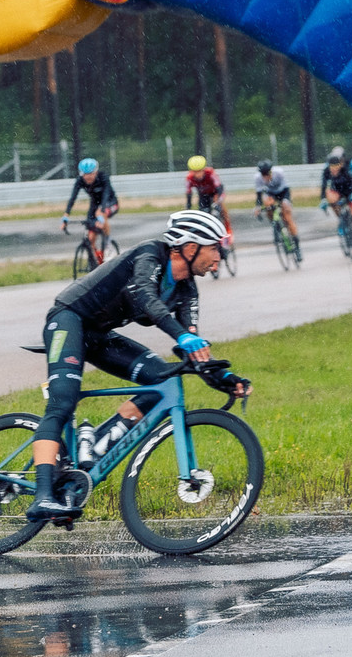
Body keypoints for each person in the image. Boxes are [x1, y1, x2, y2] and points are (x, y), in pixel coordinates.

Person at [24, 210, 250, 519]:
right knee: (62, 402)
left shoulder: (186, 289)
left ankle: (94, 443)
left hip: (99, 334)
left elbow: (194, 348)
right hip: (68, 319)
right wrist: (181, 335)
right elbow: (144, 295)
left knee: (163, 381)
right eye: (214, 247)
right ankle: (43, 496)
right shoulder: (150, 255)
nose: (220, 256)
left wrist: (222, 376)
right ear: (188, 245)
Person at [62, 158, 120, 265]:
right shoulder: (80, 180)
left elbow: (106, 195)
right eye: (85, 175)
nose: (88, 177)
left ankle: (108, 245)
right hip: (95, 203)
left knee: (99, 213)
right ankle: (98, 261)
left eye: (91, 174)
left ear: (96, 172)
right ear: (81, 174)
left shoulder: (103, 177)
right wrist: (66, 215)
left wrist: (102, 213)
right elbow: (73, 198)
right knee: (91, 237)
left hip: (110, 202)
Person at [319, 147, 352, 252]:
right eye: (332, 166)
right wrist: (323, 199)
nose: (334, 169)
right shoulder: (327, 171)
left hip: (350, 192)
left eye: (336, 166)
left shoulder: (347, 170)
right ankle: (341, 220)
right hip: (338, 193)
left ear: (341, 164)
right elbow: (323, 186)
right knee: (331, 198)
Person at [252, 159, 300, 243]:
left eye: (267, 174)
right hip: (271, 193)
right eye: (263, 174)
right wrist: (258, 207)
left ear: (271, 171)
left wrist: (286, 202)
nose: (266, 177)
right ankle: (275, 225)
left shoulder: (279, 173)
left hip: (283, 192)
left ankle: (295, 240)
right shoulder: (258, 178)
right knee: (268, 206)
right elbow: (259, 195)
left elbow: (287, 189)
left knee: (287, 216)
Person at [183, 155, 232, 236]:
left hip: (215, 192)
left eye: (199, 171)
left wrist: (217, 202)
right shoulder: (189, 178)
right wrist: (188, 207)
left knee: (220, 209)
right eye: (195, 172)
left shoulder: (211, 173)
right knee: (203, 213)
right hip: (203, 195)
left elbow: (219, 188)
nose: (198, 174)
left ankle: (228, 228)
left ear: (204, 169)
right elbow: (189, 194)